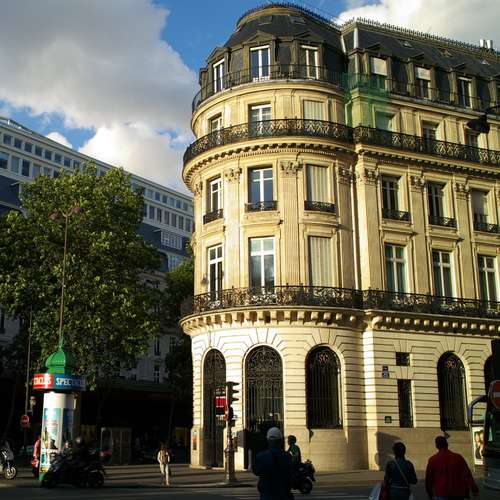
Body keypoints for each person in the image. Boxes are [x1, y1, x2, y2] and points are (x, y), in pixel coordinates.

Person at [425, 435, 479, 500]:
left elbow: (429, 479)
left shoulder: (433, 460)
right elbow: (467, 475)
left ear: (436, 446)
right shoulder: (458, 458)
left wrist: (430, 493)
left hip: (441, 493)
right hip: (457, 492)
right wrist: (474, 489)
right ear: (447, 444)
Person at [253, 427, 294, 500]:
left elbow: (256, 471)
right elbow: (290, 474)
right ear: (280, 440)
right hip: (283, 494)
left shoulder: (261, 456)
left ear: (268, 440)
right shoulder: (287, 456)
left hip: (266, 494)